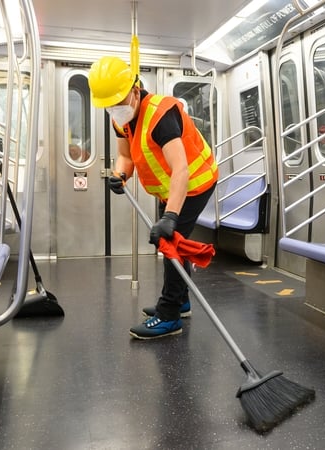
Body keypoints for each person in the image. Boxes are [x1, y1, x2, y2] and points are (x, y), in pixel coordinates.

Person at [88, 56, 219, 339]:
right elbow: (125, 156)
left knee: (169, 241)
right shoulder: (121, 120)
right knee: (174, 241)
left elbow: (181, 169)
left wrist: (170, 216)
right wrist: (120, 175)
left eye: (120, 100)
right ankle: (181, 300)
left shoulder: (161, 116)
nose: (116, 109)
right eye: (109, 104)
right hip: (169, 187)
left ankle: (169, 314)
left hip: (195, 183)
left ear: (136, 90)